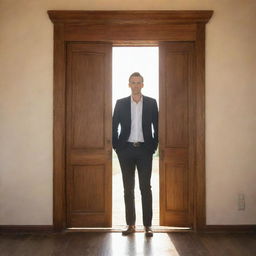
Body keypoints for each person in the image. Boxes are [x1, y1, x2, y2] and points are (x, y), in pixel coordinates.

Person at [112, 72, 158, 237]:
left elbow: (157, 126)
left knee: (145, 188)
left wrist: (153, 146)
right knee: (128, 188)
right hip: (126, 150)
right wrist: (117, 146)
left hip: (145, 150)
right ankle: (131, 224)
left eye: (139, 82)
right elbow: (114, 126)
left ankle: (148, 226)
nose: (136, 85)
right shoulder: (120, 103)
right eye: (133, 82)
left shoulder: (152, 103)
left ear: (143, 84)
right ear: (129, 84)